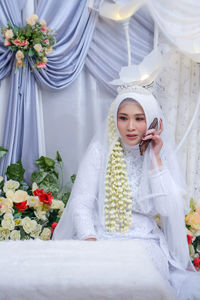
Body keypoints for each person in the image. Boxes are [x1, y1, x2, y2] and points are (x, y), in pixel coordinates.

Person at [53, 85, 200, 299]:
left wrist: (154, 159)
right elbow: (82, 203)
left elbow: (167, 208)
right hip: (101, 238)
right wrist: (91, 244)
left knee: (137, 284)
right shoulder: (100, 151)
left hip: (145, 242)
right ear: (115, 120)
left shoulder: (160, 156)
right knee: (95, 284)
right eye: (123, 118)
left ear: (152, 122)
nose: (130, 127)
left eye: (139, 119)